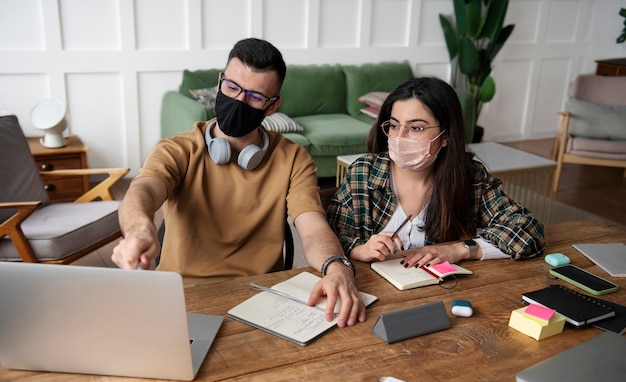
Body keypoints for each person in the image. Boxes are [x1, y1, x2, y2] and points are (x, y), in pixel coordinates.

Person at [111, 38, 365, 328]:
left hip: (259, 297)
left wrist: (336, 266)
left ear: (272, 106)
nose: (239, 101)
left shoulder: (294, 159)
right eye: (232, 87)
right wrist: (140, 231)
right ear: (220, 83)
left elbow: (312, 228)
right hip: (181, 295)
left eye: (255, 96)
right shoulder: (177, 149)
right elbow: (142, 190)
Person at [326, 76, 545, 268]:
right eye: (394, 125)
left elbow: (528, 231)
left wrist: (458, 250)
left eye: (416, 128)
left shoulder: (469, 177)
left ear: (445, 136)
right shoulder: (364, 172)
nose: (400, 137)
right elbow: (328, 238)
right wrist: (360, 250)